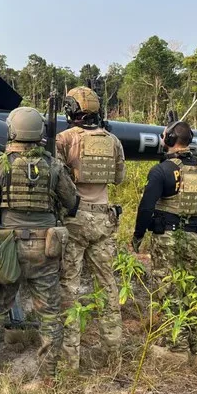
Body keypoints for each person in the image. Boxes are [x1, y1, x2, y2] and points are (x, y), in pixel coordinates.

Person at [0, 106, 79, 389]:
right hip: (46, 248)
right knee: (48, 314)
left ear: (12, 131)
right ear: (39, 133)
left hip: (8, 246)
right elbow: (72, 203)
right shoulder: (54, 166)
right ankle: (47, 376)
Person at [56, 86, 126, 371]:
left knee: (68, 289)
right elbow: (119, 178)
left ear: (72, 109)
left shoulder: (64, 139)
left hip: (74, 220)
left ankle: (69, 359)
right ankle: (114, 355)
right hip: (104, 220)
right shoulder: (113, 141)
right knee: (108, 287)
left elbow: (57, 181)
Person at [132, 119, 197, 354]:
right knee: (191, 289)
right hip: (194, 236)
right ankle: (195, 345)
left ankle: (176, 346)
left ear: (169, 140)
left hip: (167, 237)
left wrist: (137, 236)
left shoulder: (162, 170)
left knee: (168, 289)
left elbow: (146, 207)